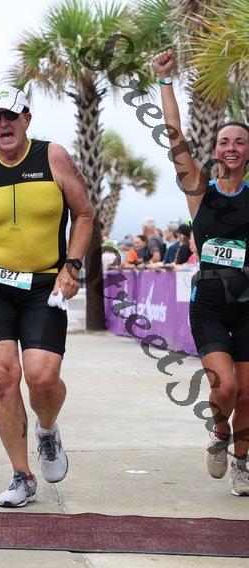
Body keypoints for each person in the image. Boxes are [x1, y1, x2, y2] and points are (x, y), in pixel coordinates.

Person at [0, 85, 93, 507]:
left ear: (27, 118)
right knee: (3, 378)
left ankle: (47, 429)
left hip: (45, 286)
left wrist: (72, 266)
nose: (3, 124)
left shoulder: (53, 156)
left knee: (42, 379)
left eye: (11, 116)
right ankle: (22, 475)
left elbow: (83, 212)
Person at [156, 49, 249, 496]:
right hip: (209, 303)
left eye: (240, 142)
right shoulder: (198, 190)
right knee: (225, 388)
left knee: (247, 394)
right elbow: (174, 135)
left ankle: (242, 464)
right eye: (224, 141)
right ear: (214, 151)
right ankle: (219, 431)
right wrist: (165, 81)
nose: (231, 148)